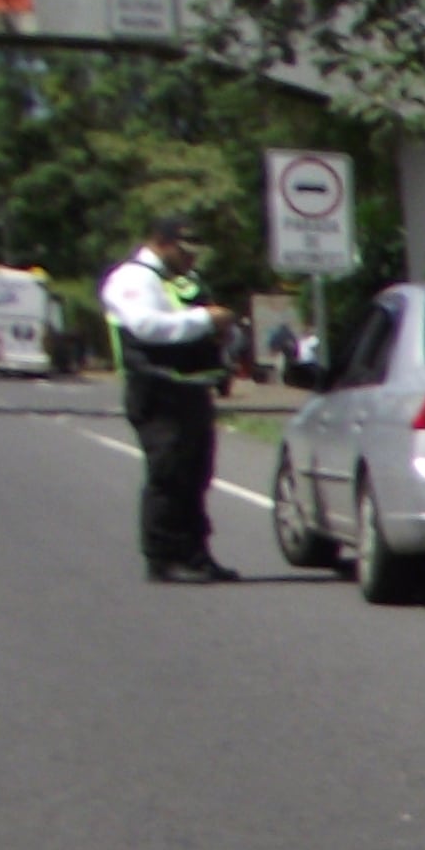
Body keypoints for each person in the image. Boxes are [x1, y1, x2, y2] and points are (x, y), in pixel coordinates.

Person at [102, 216, 235, 583]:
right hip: (156, 391)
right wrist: (205, 321)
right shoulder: (132, 279)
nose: (192, 259)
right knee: (169, 474)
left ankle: (195, 554)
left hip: (189, 389)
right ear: (161, 242)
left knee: (196, 474)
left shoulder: (178, 281)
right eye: (185, 250)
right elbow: (146, 325)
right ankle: (164, 557)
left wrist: (217, 336)